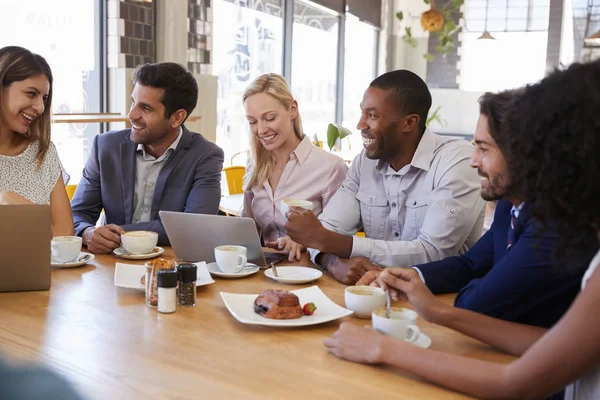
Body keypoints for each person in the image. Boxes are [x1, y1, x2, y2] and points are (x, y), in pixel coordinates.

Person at [324, 60, 600, 400]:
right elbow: (552, 342)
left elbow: (516, 380)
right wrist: (431, 303)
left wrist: (384, 349)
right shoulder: (517, 209)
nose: (474, 160)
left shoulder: (557, 230)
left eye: (484, 149)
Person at [357, 89, 593, 328]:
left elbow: (476, 303)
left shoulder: (555, 224)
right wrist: (409, 276)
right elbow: (470, 265)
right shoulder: (510, 206)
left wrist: (483, 281)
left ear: (526, 156)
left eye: (484, 149)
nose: (473, 161)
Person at [285, 70, 485, 284]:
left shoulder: (457, 161)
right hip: (376, 294)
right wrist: (333, 262)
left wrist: (335, 243)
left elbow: (434, 253)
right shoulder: (365, 162)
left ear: (409, 123)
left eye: (372, 116)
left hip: (444, 300)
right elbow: (324, 231)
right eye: (362, 113)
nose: (360, 125)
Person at [71, 62, 223, 253]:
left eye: (146, 108)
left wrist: (115, 234)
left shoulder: (205, 156)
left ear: (177, 118)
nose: (131, 114)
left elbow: (194, 227)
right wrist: (88, 232)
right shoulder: (105, 147)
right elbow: (77, 213)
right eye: (133, 101)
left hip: (170, 266)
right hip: (111, 265)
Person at [241, 73, 347, 261]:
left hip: (311, 270)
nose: (261, 129)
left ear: (292, 110)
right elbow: (246, 228)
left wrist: (306, 241)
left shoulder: (331, 168)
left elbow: (342, 235)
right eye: (253, 121)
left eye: (270, 118)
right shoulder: (255, 164)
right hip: (266, 270)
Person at [0, 46, 73, 237]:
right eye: (31, 93)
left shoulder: (43, 152)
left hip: (38, 267)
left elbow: (64, 235)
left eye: (44, 98)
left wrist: (24, 211)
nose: (40, 107)